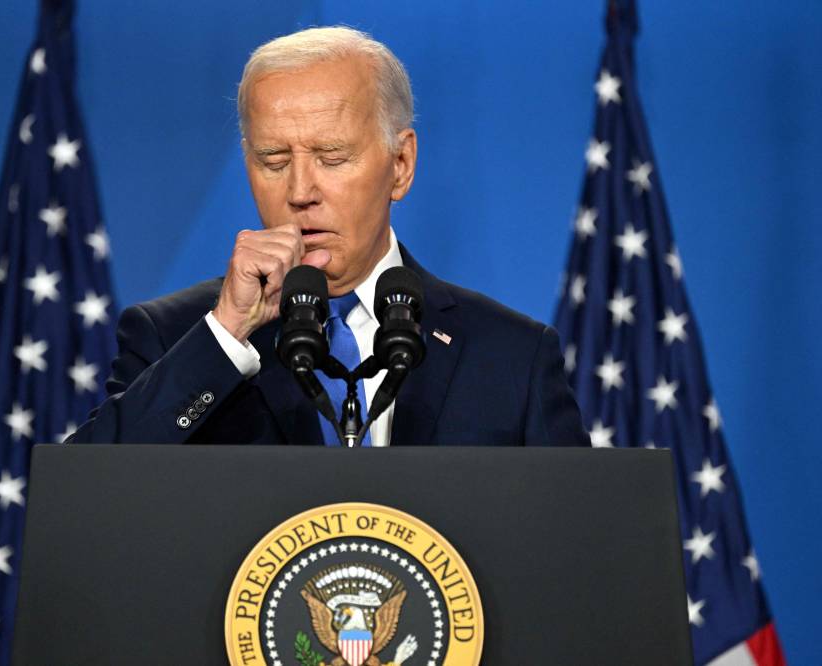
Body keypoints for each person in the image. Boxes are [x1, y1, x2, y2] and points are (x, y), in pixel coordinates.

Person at [67, 26, 589, 447]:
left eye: (332, 158)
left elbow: (576, 552)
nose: (300, 192)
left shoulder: (510, 356)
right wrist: (227, 336)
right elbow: (85, 507)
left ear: (401, 165)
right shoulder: (175, 338)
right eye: (273, 161)